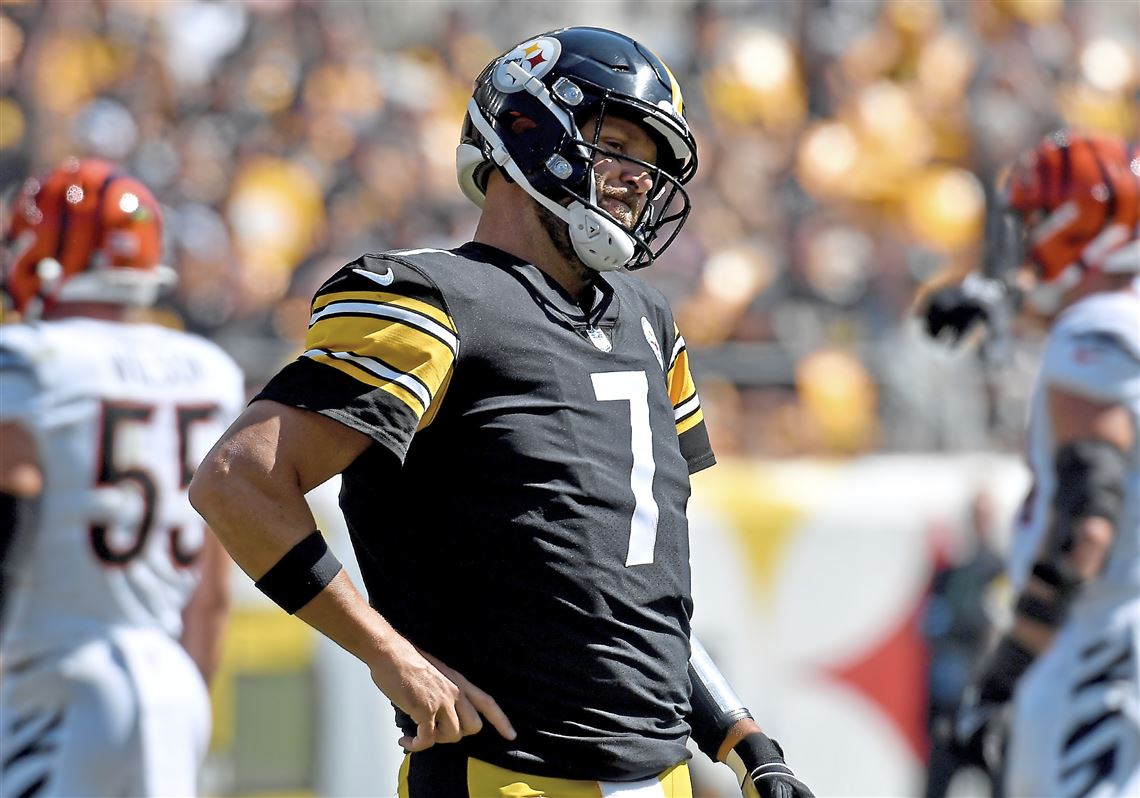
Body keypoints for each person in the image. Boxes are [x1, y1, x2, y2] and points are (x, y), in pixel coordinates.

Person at [190, 26, 814, 798]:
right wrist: (393, 657)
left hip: (662, 779)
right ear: (527, 129)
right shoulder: (430, 297)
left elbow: (629, 586)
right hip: (507, 777)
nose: (639, 180)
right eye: (617, 144)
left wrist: (743, 738)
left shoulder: (648, 319)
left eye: (652, 164)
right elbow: (237, 479)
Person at [0, 158, 245, 797]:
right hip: (171, 684)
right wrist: (187, 697)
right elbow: (213, 593)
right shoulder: (211, 372)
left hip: (50, 682)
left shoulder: (29, 362)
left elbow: (13, 489)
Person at [923, 131, 1139, 797]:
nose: (1026, 238)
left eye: (1040, 217)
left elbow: (1086, 524)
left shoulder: (1095, 333)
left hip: (1090, 668)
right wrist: (1000, 298)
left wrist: (1002, 676)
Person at [920, 489, 1005, 798]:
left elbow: (999, 629)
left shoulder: (1002, 571)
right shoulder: (950, 574)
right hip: (952, 700)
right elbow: (932, 631)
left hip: (991, 702)